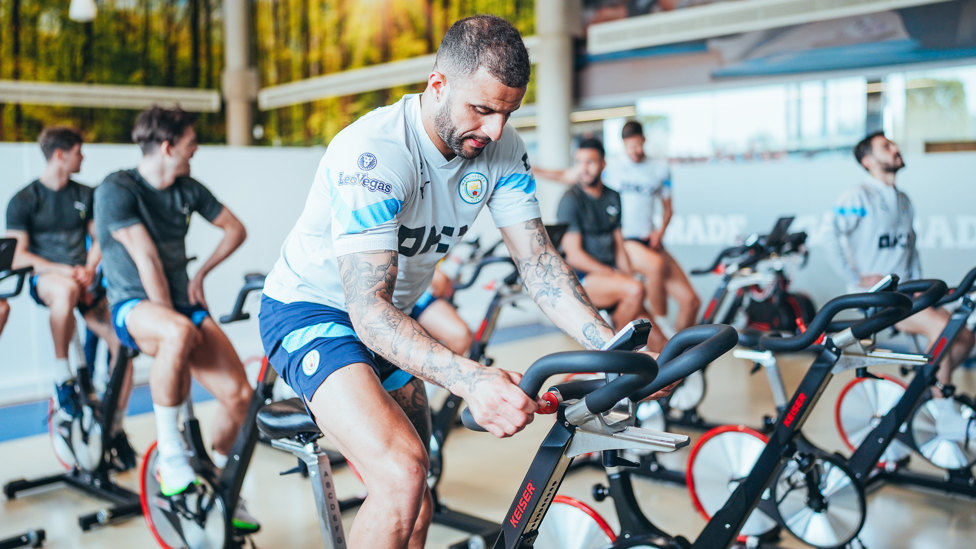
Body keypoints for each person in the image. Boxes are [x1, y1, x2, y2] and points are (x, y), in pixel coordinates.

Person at [259, 16, 673, 549]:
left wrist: (611, 348)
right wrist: (471, 379)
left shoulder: (501, 147)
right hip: (313, 311)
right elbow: (366, 310)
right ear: (438, 86)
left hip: (393, 318)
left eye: (508, 112)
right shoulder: (377, 153)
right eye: (482, 110)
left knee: (419, 490)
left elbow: (538, 262)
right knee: (400, 474)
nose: (496, 130)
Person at [93, 107, 257, 531]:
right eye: (190, 143)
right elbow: (145, 257)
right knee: (178, 332)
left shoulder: (187, 188)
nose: (195, 149)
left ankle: (219, 480)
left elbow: (235, 229)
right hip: (133, 307)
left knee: (241, 396)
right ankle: (170, 458)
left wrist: (201, 273)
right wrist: (174, 323)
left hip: (181, 308)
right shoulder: (116, 188)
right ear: (167, 147)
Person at [5, 127, 135, 460]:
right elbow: (18, 255)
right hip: (47, 278)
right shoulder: (24, 199)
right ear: (60, 155)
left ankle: (113, 427)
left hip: (84, 279)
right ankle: (61, 374)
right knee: (64, 291)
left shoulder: (86, 194)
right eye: (79, 151)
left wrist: (90, 267)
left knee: (124, 343)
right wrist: (63, 269)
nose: (83, 157)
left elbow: (102, 239)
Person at [825, 132, 975, 395]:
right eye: (886, 147)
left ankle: (925, 390)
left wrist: (919, 286)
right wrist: (855, 277)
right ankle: (941, 407)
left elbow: (911, 248)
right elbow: (829, 233)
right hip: (876, 298)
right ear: (868, 161)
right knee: (942, 329)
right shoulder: (858, 196)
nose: (895, 149)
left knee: (964, 337)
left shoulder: (903, 200)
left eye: (893, 144)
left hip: (906, 293)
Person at [535, 123, 701, 332]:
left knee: (691, 301)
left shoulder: (657, 170)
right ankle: (660, 323)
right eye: (630, 146)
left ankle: (681, 353)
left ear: (644, 140)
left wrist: (660, 231)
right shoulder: (610, 169)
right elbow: (569, 175)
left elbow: (668, 208)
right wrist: (530, 169)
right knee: (651, 272)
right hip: (627, 243)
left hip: (649, 240)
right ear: (623, 145)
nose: (635, 150)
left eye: (638, 144)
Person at [551, 138, 666, 351]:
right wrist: (613, 274)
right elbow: (574, 255)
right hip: (583, 279)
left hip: (613, 279)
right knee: (635, 289)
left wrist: (626, 273)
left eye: (591, 162)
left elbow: (619, 244)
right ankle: (615, 356)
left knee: (662, 346)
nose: (584, 169)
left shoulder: (613, 196)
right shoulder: (570, 200)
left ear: (603, 164)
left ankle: (617, 350)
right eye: (579, 162)